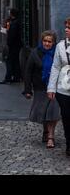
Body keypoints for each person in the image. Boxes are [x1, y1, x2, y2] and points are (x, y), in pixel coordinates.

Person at [24, 31, 60, 149]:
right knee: (43, 112)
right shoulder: (35, 53)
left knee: (53, 112)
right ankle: (45, 131)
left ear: (53, 43)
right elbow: (28, 71)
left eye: (49, 41)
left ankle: (51, 136)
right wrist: (28, 90)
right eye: (45, 41)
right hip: (40, 87)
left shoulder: (57, 53)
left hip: (55, 87)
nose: (47, 43)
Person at [48, 19, 70, 156]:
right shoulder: (61, 46)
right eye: (66, 27)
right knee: (67, 117)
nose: (66, 30)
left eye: (69, 27)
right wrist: (51, 88)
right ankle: (69, 144)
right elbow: (55, 67)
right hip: (64, 88)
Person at [0, 10, 22, 84]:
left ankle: (8, 78)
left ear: (11, 14)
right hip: (16, 45)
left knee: (9, 61)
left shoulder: (14, 23)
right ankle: (16, 77)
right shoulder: (15, 22)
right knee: (15, 61)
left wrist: (9, 43)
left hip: (13, 45)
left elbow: (12, 34)